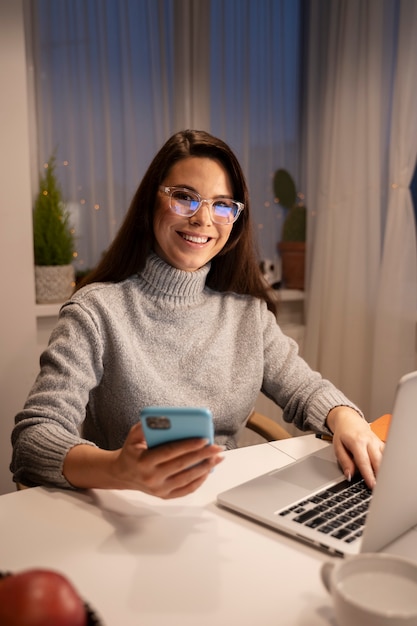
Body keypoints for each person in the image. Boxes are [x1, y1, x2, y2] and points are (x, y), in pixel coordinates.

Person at [11, 129, 384, 498]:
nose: (204, 219)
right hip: (125, 512)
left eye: (222, 205)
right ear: (150, 203)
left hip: (229, 508)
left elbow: (306, 389)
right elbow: (34, 437)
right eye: (184, 198)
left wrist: (347, 419)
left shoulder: (247, 314)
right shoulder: (95, 311)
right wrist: (118, 469)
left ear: (235, 220)